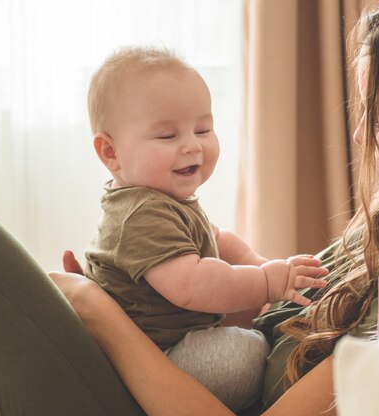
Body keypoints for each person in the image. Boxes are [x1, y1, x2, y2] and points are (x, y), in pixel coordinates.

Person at [0, 0, 379, 415]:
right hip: (160, 363)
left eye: (375, 106)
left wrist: (102, 315)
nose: (362, 127)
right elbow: (266, 297)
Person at [82, 47, 328, 411]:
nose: (192, 145)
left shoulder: (163, 199)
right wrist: (265, 281)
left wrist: (265, 266)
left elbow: (218, 239)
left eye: (203, 129)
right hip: (160, 358)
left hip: (180, 341)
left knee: (253, 330)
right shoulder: (141, 214)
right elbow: (191, 285)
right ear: (110, 152)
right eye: (167, 136)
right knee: (251, 353)